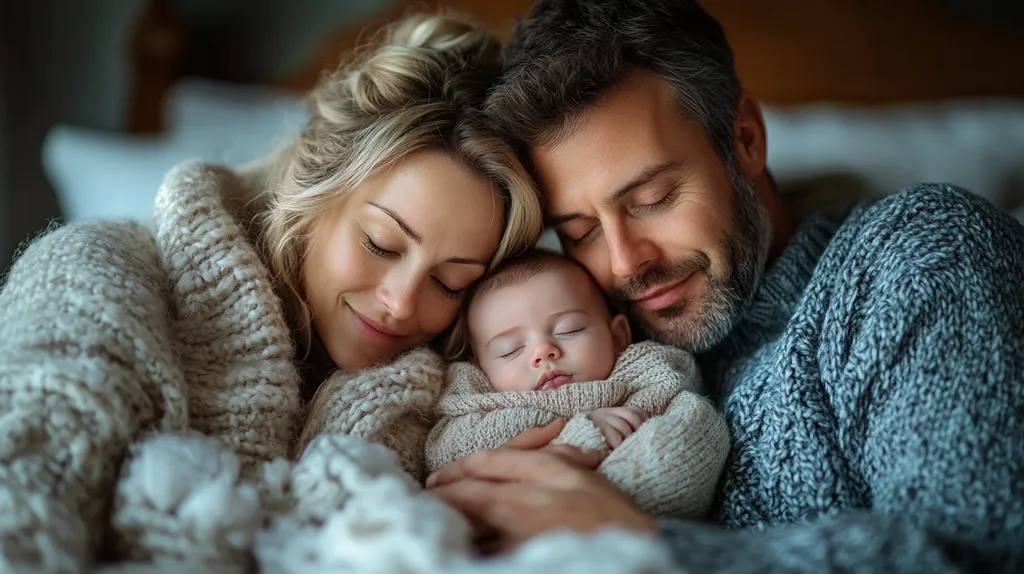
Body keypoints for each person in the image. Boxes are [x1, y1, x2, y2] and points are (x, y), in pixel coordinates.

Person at [425, 0, 1024, 571]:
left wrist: (635, 545)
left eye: (652, 199)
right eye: (579, 231)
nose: (624, 264)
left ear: (746, 140)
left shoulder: (915, 257)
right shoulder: (600, 342)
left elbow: (981, 553)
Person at [0, 13, 542, 569]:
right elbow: (29, 462)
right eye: (381, 244)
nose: (402, 304)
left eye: (448, 282)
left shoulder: (463, 386)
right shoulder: (96, 272)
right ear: (314, 192)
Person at [423, 249, 730, 520]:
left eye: (568, 330)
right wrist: (584, 432)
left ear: (617, 336)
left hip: (617, 523)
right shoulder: (472, 398)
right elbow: (448, 455)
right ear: (482, 370)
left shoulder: (650, 374)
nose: (543, 352)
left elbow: (691, 441)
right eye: (510, 350)